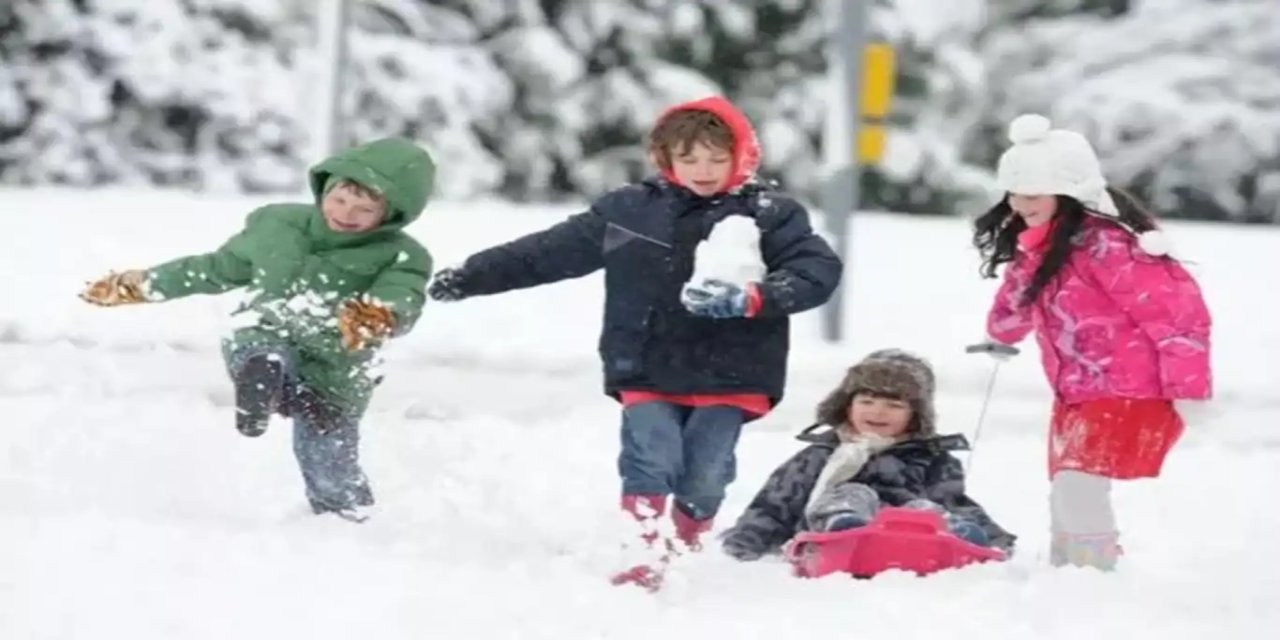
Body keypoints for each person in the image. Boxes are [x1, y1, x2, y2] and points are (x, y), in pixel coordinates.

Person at [79, 137, 437, 523]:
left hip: (337, 366)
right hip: (269, 331)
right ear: (325, 186)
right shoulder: (277, 224)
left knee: (326, 458)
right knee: (257, 341)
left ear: (391, 215)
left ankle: (346, 516)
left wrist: (378, 316)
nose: (345, 214)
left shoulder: (402, 256)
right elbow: (216, 268)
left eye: (364, 209)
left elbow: (403, 295)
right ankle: (264, 377)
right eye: (339, 199)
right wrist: (143, 283)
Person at [971, 114, 1212, 570]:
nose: (1020, 203)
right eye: (1015, 193)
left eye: (1033, 193)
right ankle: (1071, 569)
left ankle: (1090, 574)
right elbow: (1018, 302)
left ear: (1069, 193)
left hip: (1127, 387)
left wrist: (1187, 388)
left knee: (1078, 483)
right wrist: (1000, 333)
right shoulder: (1044, 246)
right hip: (1077, 390)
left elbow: (1177, 316)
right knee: (1065, 483)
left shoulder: (1111, 248)